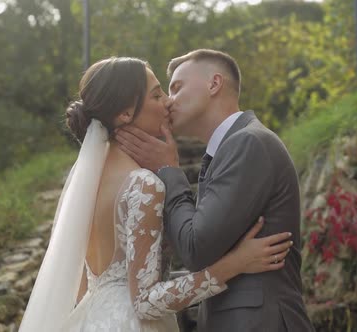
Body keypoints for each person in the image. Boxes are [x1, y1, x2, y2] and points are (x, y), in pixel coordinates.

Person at [18, 57, 294, 332]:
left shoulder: (89, 185)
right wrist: (235, 264)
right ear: (125, 114)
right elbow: (145, 303)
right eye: (158, 94)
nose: (167, 103)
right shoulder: (142, 184)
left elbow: (89, 284)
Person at [115, 49, 315, 331]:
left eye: (177, 87)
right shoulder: (230, 148)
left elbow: (196, 247)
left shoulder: (248, 143)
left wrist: (170, 169)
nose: (169, 101)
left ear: (214, 84)